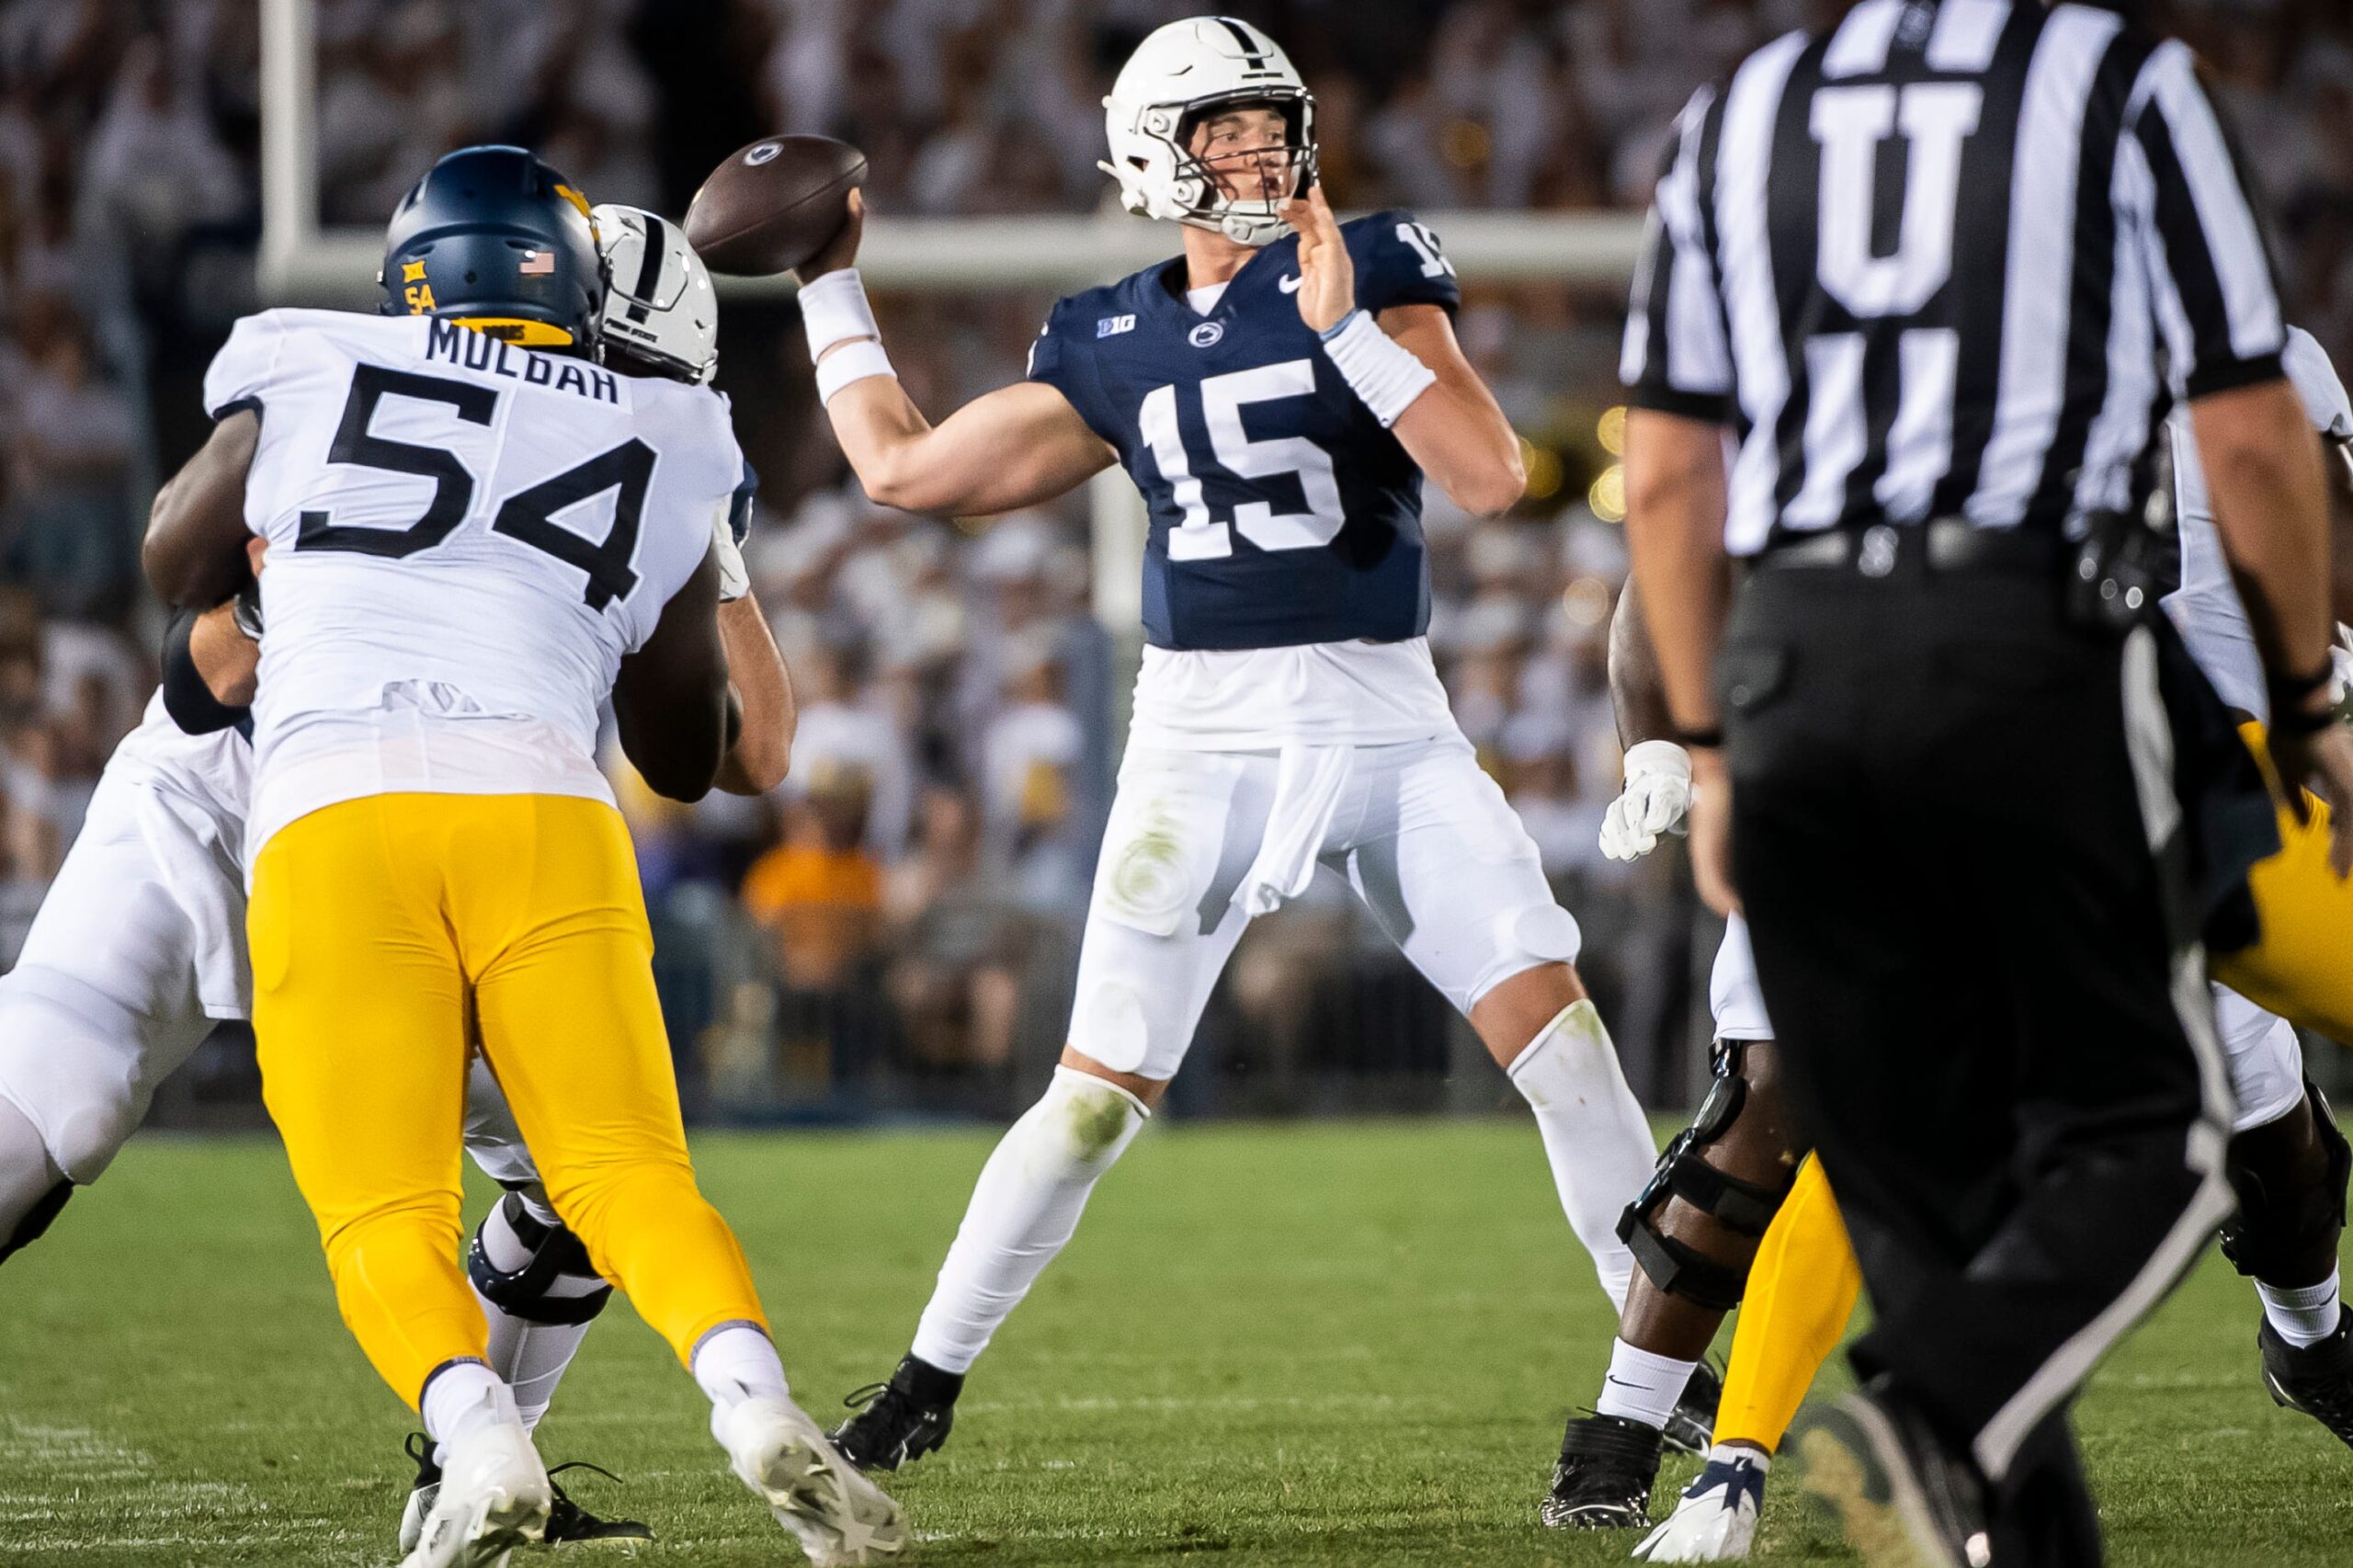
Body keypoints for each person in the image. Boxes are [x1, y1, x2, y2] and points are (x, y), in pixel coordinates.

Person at [792, 17, 1688, 1507]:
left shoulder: (1375, 262)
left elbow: (1487, 476)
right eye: (1220, 128)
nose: (1258, 149)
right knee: (1088, 1097)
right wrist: (826, 279)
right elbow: (901, 469)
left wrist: (1347, 331)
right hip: (1197, 738)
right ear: (1153, 153)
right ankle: (919, 1382)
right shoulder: (1107, 331)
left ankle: (1647, 1388)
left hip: (1388, 722)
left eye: (1270, 120)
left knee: (1566, 1042)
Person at [1620, 4, 2353, 1563]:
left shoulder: (1740, 112)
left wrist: (1708, 742)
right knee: (2157, 1132)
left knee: (1917, 1195)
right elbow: (2251, 420)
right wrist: (2310, 699)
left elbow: (1671, 473)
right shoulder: (2119, 84)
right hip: (2037, 646)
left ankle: (1961, 1445)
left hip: (1799, 669)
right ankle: (1923, 1401)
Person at [140, 149, 897, 1568]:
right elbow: (693, 754)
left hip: (336, 807)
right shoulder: (673, 431)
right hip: (543, 810)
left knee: (384, 1202)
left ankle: (477, 1433)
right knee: (628, 1173)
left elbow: (174, 556)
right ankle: (752, 1398)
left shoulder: (312, 351)